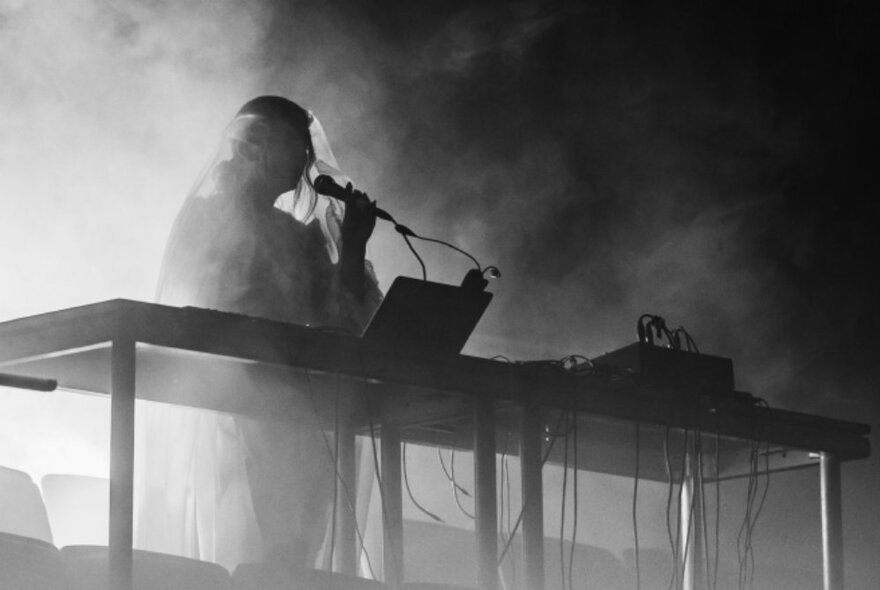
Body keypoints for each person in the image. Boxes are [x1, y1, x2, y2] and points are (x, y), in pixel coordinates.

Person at [135, 96, 382, 571]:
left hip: (291, 406)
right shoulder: (208, 220)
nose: (307, 162)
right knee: (246, 542)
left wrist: (353, 247)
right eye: (296, 147)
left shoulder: (297, 234)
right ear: (258, 146)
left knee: (293, 546)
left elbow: (341, 319)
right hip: (228, 401)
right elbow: (200, 309)